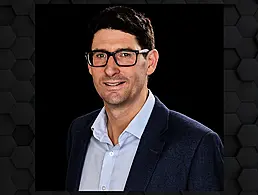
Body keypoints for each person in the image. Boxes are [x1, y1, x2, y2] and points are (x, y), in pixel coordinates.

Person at [65, 5, 224, 191]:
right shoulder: (78, 132)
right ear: (89, 66)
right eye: (100, 55)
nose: (110, 70)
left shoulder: (197, 144)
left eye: (124, 55)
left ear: (150, 62)